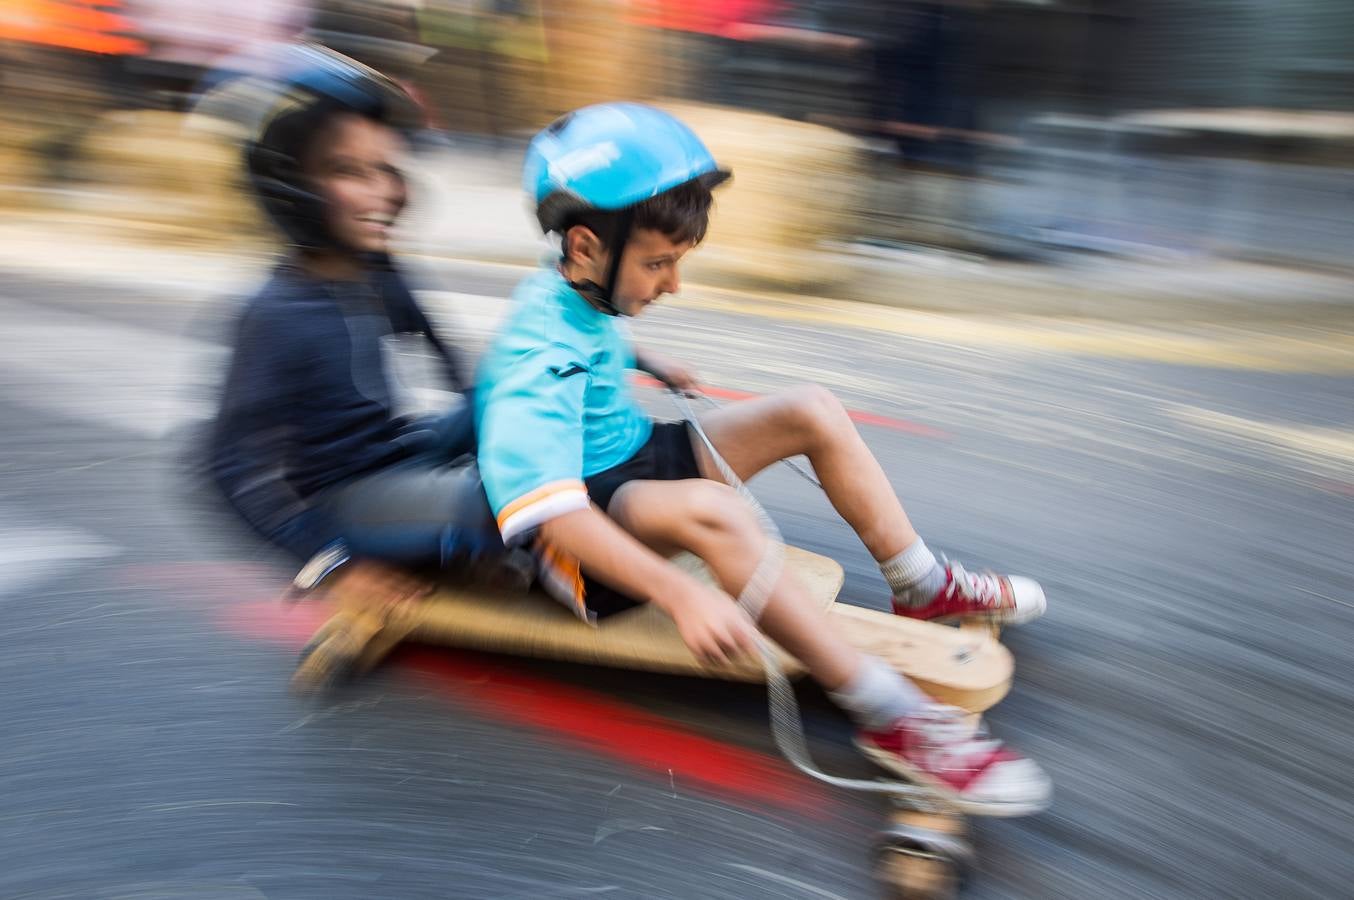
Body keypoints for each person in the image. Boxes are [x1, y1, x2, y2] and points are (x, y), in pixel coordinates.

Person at [474, 103, 1051, 814]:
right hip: (584, 533)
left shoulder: (573, 280)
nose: (673, 285)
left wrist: (648, 356)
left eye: (676, 264)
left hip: (632, 459)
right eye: (659, 265)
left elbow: (587, 329)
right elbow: (550, 513)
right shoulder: (538, 357)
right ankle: (890, 716)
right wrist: (681, 592)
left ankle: (921, 584)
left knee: (811, 408)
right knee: (717, 515)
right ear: (590, 246)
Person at [210, 44, 508, 611]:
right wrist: (329, 564)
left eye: (388, 172)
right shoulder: (276, 313)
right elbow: (229, 470)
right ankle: (468, 530)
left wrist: (492, 419)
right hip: (344, 501)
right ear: (289, 185)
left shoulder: (377, 269)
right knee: (508, 498)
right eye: (350, 172)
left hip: (401, 455)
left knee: (515, 391)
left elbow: (442, 353)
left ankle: (472, 524)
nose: (384, 193)